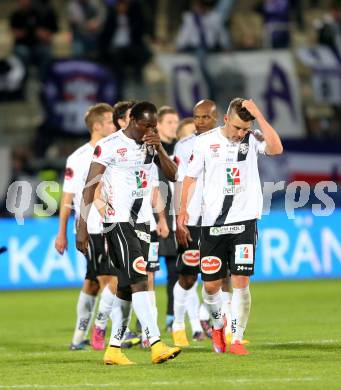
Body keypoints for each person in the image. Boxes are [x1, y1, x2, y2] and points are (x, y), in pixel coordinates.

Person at [76, 101, 181, 365]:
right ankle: (156, 343)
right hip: (118, 222)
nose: (150, 130)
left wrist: (159, 150)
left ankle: (113, 349)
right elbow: (90, 187)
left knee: (125, 286)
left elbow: (174, 175)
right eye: (146, 125)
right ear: (131, 121)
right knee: (140, 279)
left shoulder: (151, 144)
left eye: (153, 125)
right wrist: (82, 227)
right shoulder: (110, 146)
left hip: (143, 222)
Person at [178, 98, 283, 355]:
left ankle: (236, 338)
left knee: (241, 281)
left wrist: (258, 113)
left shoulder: (252, 138)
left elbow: (277, 148)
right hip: (212, 223)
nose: (240, 133)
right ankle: (217, 326)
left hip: (244, 221)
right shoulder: (204, 142)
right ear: (226, 120)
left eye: (244, 128)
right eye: (237, 127)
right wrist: (182, 211)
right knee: (211, 286)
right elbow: (190, 178)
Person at [55, 103, 116, 350]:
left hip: (111, 225)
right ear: (98, 126)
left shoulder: (114, 151)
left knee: (92, 282)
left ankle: (79, 337)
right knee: (109, 281)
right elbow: (67, 199)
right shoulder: (78, 158)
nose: (115, 125)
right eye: (111, 121)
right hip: (91, 228)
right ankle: (115, 331)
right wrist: (61, 234)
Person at [172, 99, 220, 346]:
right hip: (191, 220)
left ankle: (224, 330)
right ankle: (179, 326)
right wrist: (179, 217)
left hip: (220, 218)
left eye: (205, 117)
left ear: (216, 117)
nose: (199, 122)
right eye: (196, 117)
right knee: (188, 277)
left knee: (223, 277)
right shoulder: (184, 146)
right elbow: (179, 182)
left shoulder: (227, 142)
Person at [90, 100, 137, 351]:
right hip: (111, 224)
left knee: (135, 279)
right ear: (122, 121)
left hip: (137, 220)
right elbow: (94, 188)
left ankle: (124, 330)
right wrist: (105, 212)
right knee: (119, 279)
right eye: (132, 116)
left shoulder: (139, 145)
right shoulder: (108, 147)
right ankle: (101, 326)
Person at [10, 0, 58, 79]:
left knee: (46, 52)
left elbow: (44, 32)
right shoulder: (16, 14)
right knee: (22, 52)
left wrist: (43, 34)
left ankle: (42, 80)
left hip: (36, 45)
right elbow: (16, 33)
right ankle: (23, 80)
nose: (25, 2)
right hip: (22, 45)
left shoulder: (36, 14)